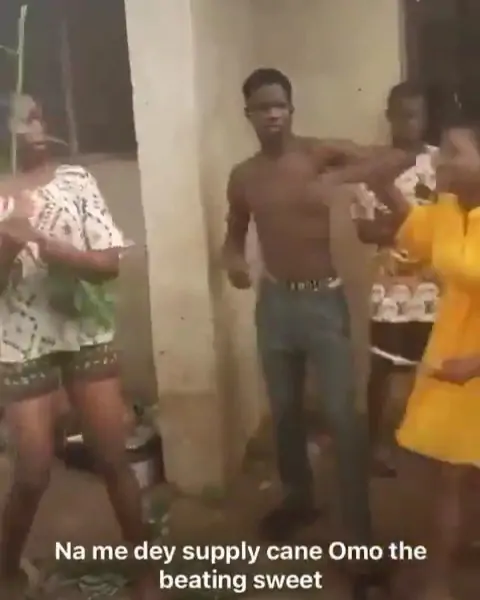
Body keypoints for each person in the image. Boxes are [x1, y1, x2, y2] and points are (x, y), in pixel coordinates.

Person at [222, 67, 413, 552]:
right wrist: (234, 263)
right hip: (275, 304)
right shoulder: (243, 176)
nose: (272, 114)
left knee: (343, 416)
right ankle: (298, 500)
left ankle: (358, 530)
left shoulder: (319, 153)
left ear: (291, 108)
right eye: (262, 107)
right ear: (247, 114)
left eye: (279, 105)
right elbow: (234, 233)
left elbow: (399, 157)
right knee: (285, 413)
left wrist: (339, 178)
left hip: (324, 302)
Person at [0, 102, 161, 600]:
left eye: (38, 116)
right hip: (20, 341)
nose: (36, 126)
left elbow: (108, 264)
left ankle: (144, 573)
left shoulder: (76, 180)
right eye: (22, 118)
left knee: (113, 456)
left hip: (84, 332)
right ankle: (6, 569)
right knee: (32, 470)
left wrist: (53, 249)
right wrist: (8, 241)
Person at [365, 119, 480, 600]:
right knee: (452, 471)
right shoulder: (447, 209)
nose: (440, 160)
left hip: (474, 361)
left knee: (460, 471)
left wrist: (475, 363)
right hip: (454, 352)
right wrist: (380, 183)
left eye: (454, 151)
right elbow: (413, 231)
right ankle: (439, 581)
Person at [351, 82, 438, 477]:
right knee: (382, 368)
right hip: (390, 290)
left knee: (437, 365)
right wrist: (413, 229)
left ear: (426, 118)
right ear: (389, 116)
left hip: (437, 289)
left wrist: (404, 229)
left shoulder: (442, 164)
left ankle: (435, 441)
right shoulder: (371, 167)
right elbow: (365, 230)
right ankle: (374, 446)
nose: (409, 123)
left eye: (416, 114)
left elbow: (449, 224)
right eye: (401, 114)